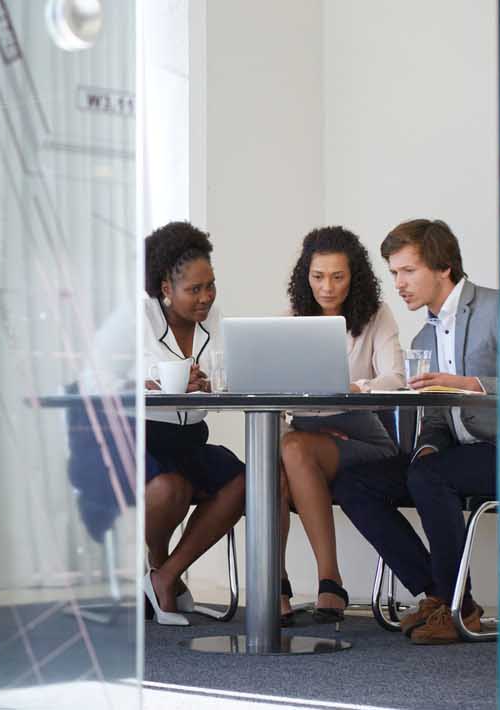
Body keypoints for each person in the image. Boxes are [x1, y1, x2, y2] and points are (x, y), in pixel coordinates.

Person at [87, 221, 275, 626]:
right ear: (165, 289)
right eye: (194, 289)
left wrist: (215, 382)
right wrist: (151, 382)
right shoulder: (132, 319)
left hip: (190, 438)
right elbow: (91, 378)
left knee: (254, 480)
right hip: (138, 436)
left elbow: (234, 372)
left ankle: (164, 577)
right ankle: (159, 569)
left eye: (210, 286)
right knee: (170, 488)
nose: (205, 297)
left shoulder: (217, 321)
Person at [331, 218, 500, 644]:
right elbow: (440, 418)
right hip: (460, 456)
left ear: (443, 268)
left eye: (408, 271)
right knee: (354, 483)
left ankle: (456, 605)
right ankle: (440, 596)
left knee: (431, 474)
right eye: (393, 274)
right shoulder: (425, 335)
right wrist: (427, 445)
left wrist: (471, 384)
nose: (399, 284)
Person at [278, 226, 404, 624]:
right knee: (279, 467)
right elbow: (277, 392)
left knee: (292, 450)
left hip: (362, 435)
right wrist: (306, 428)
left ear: (355, 276)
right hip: (305, 436)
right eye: (318, 277)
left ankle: (329, 578)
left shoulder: (375, 315)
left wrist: (353, 389)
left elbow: (396, 378)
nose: (327, 287)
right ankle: (277, 582)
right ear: (306, 276)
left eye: (338, 276)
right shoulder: (292, 320)